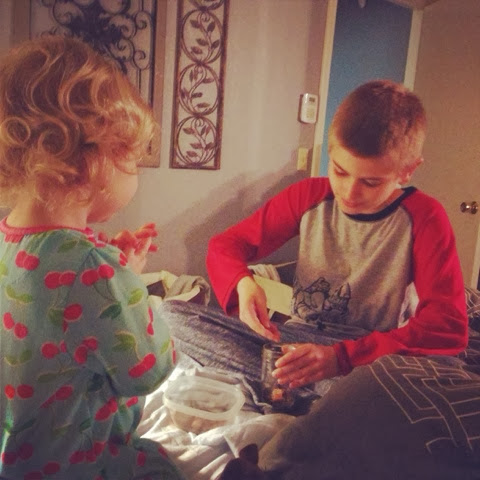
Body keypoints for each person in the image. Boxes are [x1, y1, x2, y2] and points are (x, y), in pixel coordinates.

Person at [0, 35, 185, 479]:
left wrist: (119, 270)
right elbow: (148, 369)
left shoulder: (9, 240)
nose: (136, 173)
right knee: (162, 469)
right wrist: (129, 284)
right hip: (77, 465)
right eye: (134, 160)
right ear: (93, 162)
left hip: (19, 458)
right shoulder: (93, 268)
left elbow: (56, 313)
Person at [206, 79, 468, 390]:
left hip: (370, 354)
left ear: (407, 170)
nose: (349, 192)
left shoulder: (424, 215)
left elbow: (446, 327)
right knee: (174, 317)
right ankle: (305, 386)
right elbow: (224, 246)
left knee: (435, 374)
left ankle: (297, 386)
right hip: (302, 338)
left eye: (371, 182)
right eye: (340, 171)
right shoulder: (308, 195)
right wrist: (243, 283)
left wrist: (339, 359)